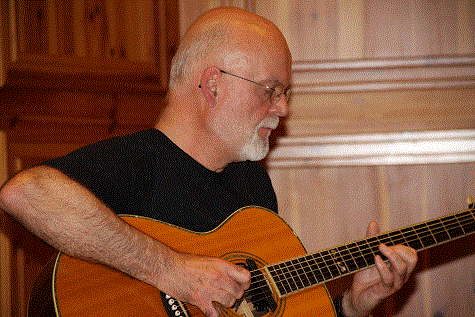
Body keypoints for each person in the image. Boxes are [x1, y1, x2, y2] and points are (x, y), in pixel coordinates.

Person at [0, 7, 417, 317]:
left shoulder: (252, 188)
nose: (283, 108)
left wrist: (352, 307)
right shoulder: (135, 162)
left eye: (286, 92)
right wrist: (171, 271)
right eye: (271, 90)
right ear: (214, 85)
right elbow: (23, 193)